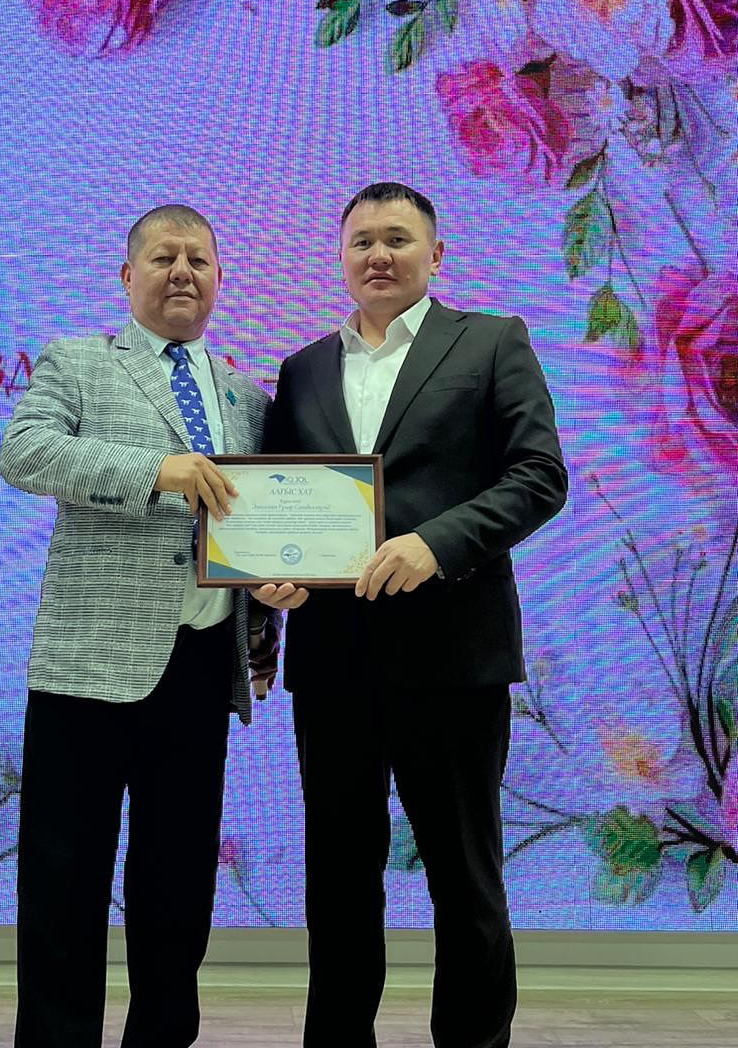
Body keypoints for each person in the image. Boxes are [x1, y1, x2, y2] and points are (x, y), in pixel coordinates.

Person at [265, 182, 568, 1048]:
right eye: (362, 240)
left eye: (398, 239)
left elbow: (539, 476)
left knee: (463, 879)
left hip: (454, 656)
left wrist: (436, 544)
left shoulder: (492, 341)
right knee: (337, 882)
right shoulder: (303, 368)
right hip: (333, 664)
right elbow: (280, 503)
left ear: (436, 255)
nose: (379, 255)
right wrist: (272, 578)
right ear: (342, 258)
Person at [0, 204, 304, 1048]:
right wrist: (157, 470)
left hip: (202, 666)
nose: (182, 272)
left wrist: (275, 586)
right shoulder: (78, 362)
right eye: (164, 257)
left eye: (198, 260)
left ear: (219, 279)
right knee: (64, 877)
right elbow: (25, 453)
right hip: (87, 663)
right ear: (127, 275)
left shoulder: (246, 397)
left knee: (179, 884)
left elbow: (259, 523)